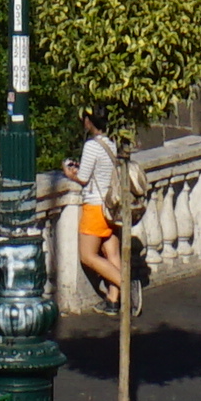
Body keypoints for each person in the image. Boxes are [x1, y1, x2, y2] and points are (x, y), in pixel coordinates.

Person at [67, 117, 130, 315]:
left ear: (89, 122)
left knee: (88, 256)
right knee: (111, 253)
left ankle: (127, 287)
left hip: (95, 206)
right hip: (111, 205)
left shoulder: (92, 145)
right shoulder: (112, 141)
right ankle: (113, 300)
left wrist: (69, 173)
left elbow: (83, 178)